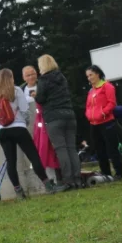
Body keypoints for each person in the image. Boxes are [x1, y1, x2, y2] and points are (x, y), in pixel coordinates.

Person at [0, 69, 50, 198]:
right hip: (18, 128)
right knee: (33, 155)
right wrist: (25, 122)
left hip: (3, 131)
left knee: (11, 162)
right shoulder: (16, 90)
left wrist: (2, 125)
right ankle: (48, 184)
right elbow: (24, 109)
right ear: (11, 77)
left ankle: (18, 191)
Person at [33, 55, 81, 191]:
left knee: (61, 149)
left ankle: (68, 180)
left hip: (54, 117)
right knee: (72, 148)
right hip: (69, 115)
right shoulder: (62, 78)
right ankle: (77, 179)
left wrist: (35, 95)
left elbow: (41, 99)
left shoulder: (43, 80)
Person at [84, 65, 122, 180]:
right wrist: (88, 115)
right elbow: (88, 106)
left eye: (91, 75)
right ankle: (106, 173)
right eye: (87, 76)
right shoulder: (91, 91)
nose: (89, 78)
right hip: (94, 124)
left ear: (97, 74)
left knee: (112, 148)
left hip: (107, 122)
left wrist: (102, 113)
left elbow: (111, 103)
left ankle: (118, 172)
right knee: (99, 149)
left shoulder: (107, 86)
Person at [22, 65, 60, 184]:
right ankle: (43, 177)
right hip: (31, 125)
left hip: (46, 121)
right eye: (28, 75)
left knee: (50, 148)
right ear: (24, 77)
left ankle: (58, 175)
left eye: (33, 73)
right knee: (36, 150)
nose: (31, 76)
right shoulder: (20, 90)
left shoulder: (43, 85)